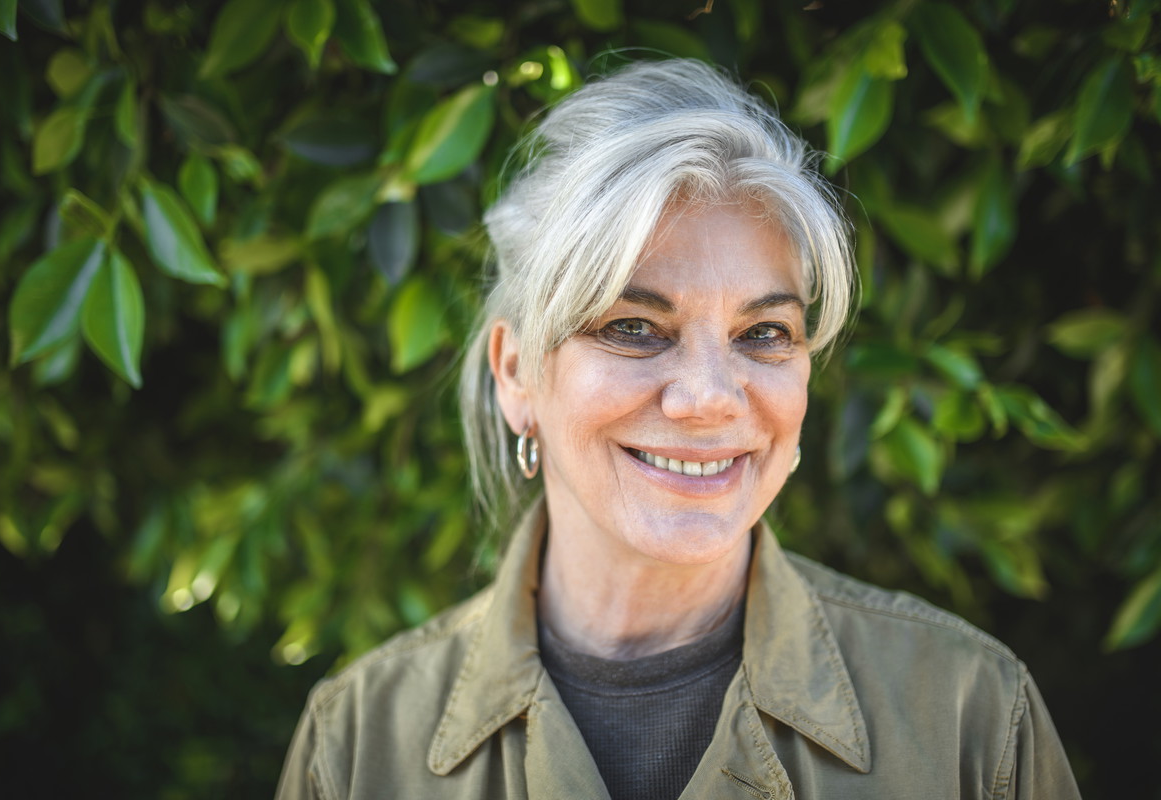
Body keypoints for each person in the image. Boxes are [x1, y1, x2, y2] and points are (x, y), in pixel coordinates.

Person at [275, 59, 1081, 799]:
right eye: (633, 327)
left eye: (763, 334)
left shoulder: (971, 715)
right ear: (516, 374)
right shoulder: (355, 743)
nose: (708, 399)